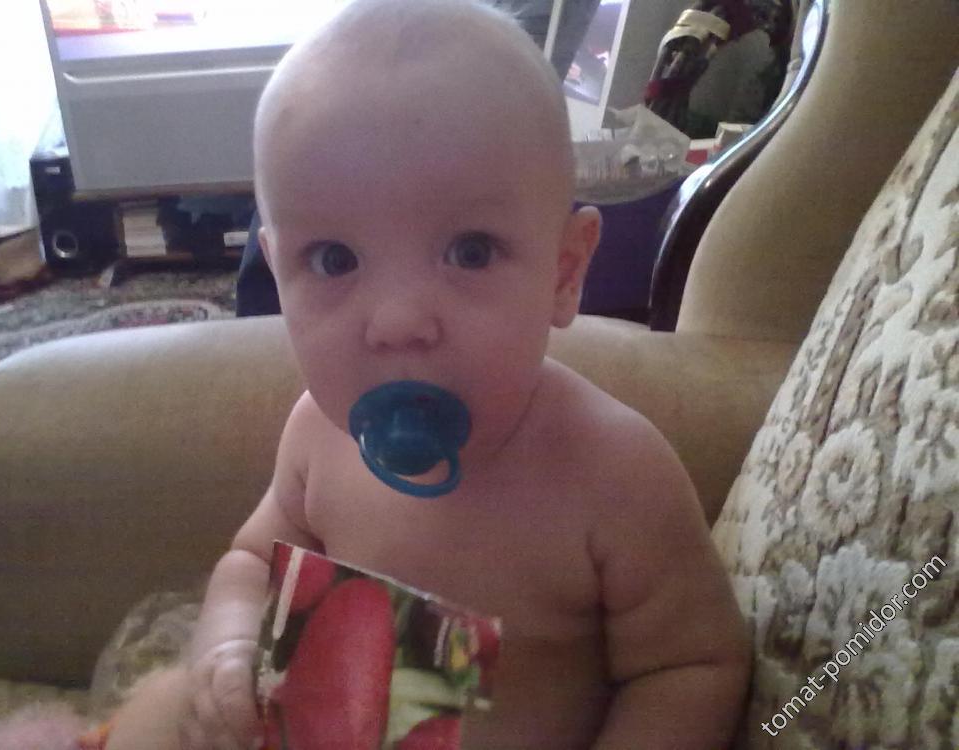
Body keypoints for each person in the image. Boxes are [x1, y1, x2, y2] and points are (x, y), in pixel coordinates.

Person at [105, 1, 750, 748]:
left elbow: (694, 664)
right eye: (334, 260)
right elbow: (252, 559)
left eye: (470, 252)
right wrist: (228, 641)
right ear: (278, 272)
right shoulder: (317, 435)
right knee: (159, 714)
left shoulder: (613, 473)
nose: (397, 322)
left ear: (565, 270)